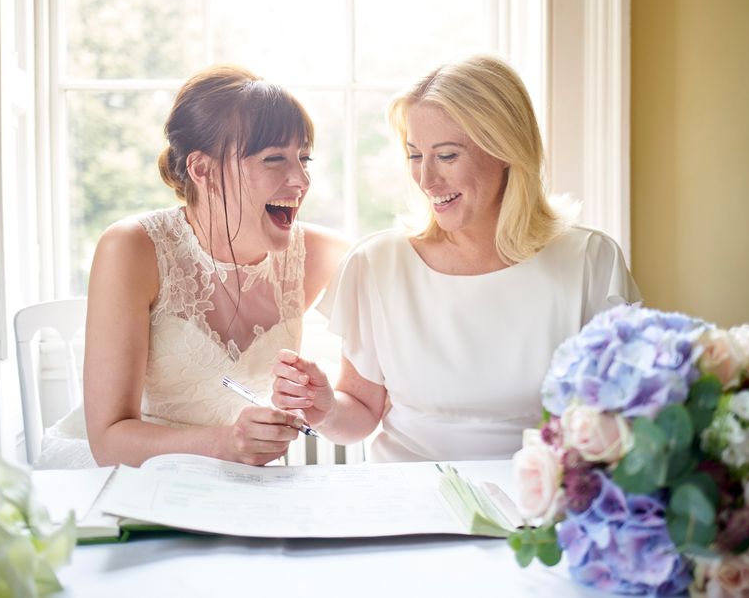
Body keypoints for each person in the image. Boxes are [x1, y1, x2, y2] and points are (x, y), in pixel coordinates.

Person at [271, 54, 640, 462]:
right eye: (415, 155)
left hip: (536, 510)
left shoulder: (590, 261)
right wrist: (323, 408)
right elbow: (360, 412)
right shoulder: (377, 263)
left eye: (446, 156)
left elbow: (622, 421)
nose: (426, 179)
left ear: (505, 151)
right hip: (406, 508)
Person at [35, 65, 347, 468]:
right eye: (274, 159)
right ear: (203, 170)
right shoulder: (132, 248)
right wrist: (226, 445)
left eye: (304, 158)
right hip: (124, 475)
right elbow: (109, 439)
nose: (301, 179)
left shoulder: (322, 254)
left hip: (232, 483)